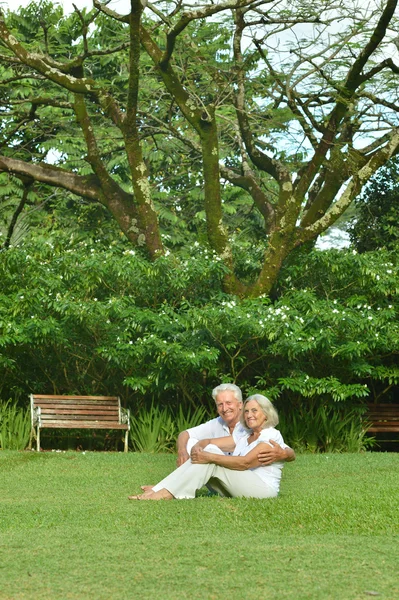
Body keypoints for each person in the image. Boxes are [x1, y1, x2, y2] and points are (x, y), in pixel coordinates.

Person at [128, 394, 289, 501]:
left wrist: (210, 457)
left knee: (211, 455)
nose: (248, 415)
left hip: (262, 489)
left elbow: (246, 463)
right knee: (210, 451)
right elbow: (212, 444)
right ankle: (162, 488)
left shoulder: (270, 435)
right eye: (246, 411)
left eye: (254, 410)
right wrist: (203, 447)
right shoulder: (245, 435)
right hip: (244, 483)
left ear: (266, 415)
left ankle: (165, 493)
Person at [176, 383, 295, 467]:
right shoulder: (216, 423)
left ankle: (170, 490)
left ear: (240, 405)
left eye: (228, 403)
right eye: (220, 404)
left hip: (239, 473)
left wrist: (284, 454)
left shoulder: (252, 426)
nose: (224, 408)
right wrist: (183, 451)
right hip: (226, 471)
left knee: (209, 450)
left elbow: (287, 450)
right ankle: (173, 487)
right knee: (192, 444)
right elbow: (185, 434)